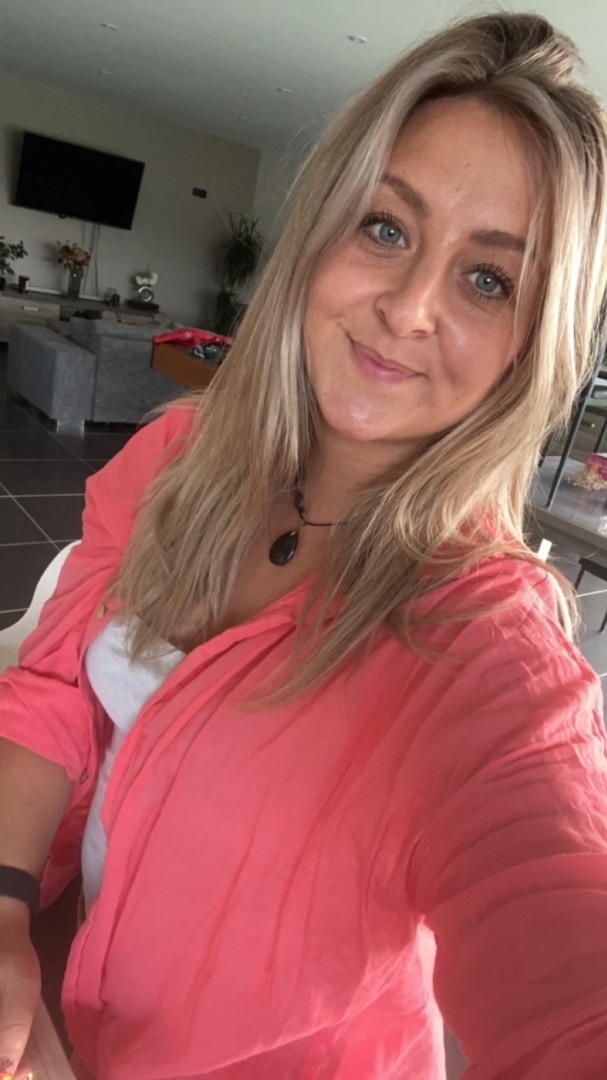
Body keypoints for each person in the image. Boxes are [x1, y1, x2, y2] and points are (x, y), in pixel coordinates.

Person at [1, 11, 607, 1079]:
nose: (407, 308)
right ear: (319, 233)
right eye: (386, 227)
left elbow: (559, 943)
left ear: (532, 347)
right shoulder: (177, 456)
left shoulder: (483, 651)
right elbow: (50, 690)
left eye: (488, 280)